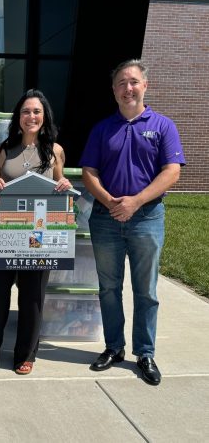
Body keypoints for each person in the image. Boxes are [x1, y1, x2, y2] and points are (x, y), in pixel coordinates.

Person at [79, 59, 185, 386]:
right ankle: (114, 347)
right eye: (122, 83)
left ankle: (145, 352)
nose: (128, 88)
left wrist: (135, 201)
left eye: (134, 82)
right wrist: (110, 202)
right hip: (106, 218)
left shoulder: (163, 126)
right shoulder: (102, 129)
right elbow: (89, 172)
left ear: (145, 86)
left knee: (146, 290)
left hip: (147, 218)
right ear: (114, 91)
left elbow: (172, 171)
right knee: (109, 288)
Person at [0, 88, 71, 374]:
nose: (31, 116)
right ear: (18, 117)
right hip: (6, 230)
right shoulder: (2, 150)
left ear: (44, 116)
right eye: (26, 111)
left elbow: (60, 185)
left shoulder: (55, 151)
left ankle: (26, 355)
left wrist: (63, 186)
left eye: (37, 111)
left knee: (32, 295)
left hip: (39, 233)